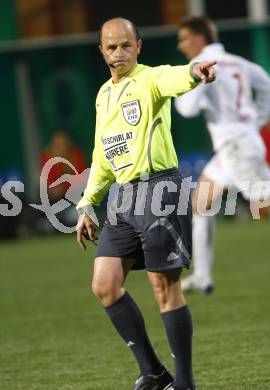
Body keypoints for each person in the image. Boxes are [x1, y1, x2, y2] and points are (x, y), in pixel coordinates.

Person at [76, 17, 216, 390]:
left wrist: (194, 71)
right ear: (102, 51)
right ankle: (153, 372)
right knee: (104, 285)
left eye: (126, 45)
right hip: (124, 197)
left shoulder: (150, 79)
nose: (119, 53)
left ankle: (184, 383)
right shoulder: (104, 94)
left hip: (159, 192)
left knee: (164, 288)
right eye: (111, 47)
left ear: (138, 46)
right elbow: (102, 155)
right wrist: (87, 203)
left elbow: (175, 76)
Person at [175, 16, 270, 294]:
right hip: (238, 144)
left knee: (262, 208)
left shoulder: (201, 67)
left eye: (184, 39)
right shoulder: (238, 62)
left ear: (199, 39)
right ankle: (202, 276)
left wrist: (193, 80)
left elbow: (187, 110)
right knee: (199, 205)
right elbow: (266, 86)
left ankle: (202, 275)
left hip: (237, 148)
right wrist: (255, 122)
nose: (181, 46)